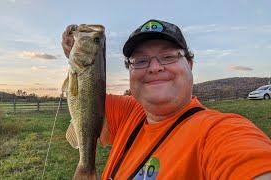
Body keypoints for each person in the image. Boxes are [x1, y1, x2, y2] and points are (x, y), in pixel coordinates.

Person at [62, 19, 271, 180]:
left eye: (169, 56)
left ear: (190, 64)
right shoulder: (129, 112)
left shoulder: (220, 132)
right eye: (141, 60)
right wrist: (78, 55)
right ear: (130, 71)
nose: (154, 67)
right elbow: (85, 96)